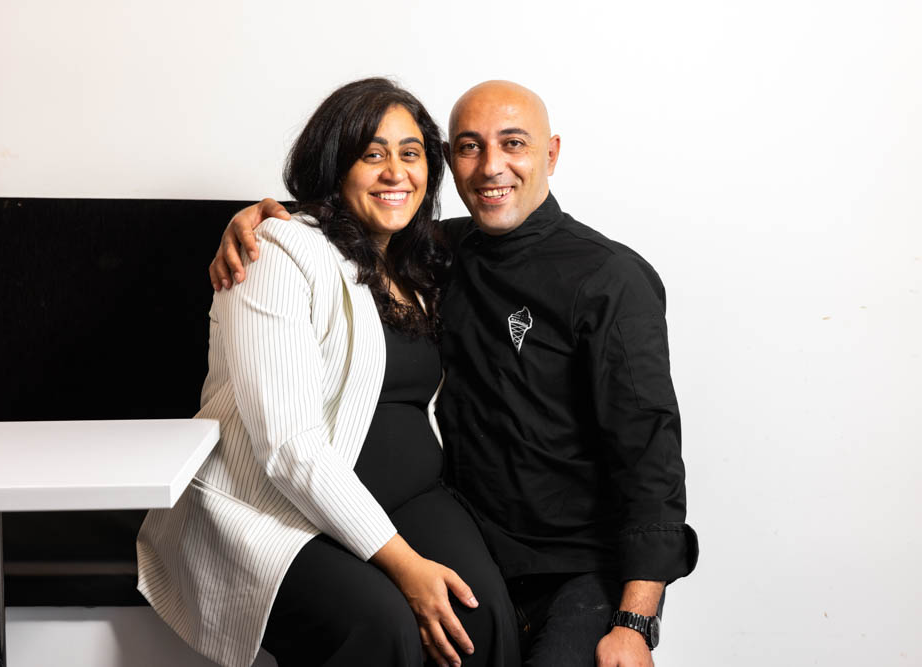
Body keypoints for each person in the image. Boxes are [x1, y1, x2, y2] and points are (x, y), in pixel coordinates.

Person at [211, 80, 699, 667]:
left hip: (573, 573)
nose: (492, 166)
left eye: (513, 144)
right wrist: (266, 220)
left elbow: (651, 456)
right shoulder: (439, 254)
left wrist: (636, 622)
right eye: (469, 147)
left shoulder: (610, 279)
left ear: (551, 154)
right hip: (470, 544)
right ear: (452, 162)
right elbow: (351, 227)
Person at [137, 78, 520, 667]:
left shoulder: (425, 257)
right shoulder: (277, 254)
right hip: (276, 508)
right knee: (385, 626)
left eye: (410, 153)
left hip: (411, 497)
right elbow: (290, 447)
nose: (396, 172)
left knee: (483, 613)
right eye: (372, 154)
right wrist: (404, 563)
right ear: (334, 165)